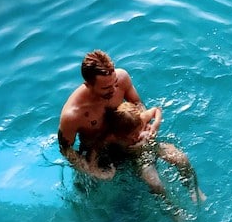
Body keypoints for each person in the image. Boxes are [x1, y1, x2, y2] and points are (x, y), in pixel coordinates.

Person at [57, 49, 153, 178]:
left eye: (114, 83)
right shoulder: (72, 115)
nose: (114, 89)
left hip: (127, 139)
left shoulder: (122, 78)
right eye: (106, 88)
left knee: (176, 159)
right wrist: (92, 171)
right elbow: (66, 149)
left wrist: (144, 130)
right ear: (88, 85)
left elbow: (138, 106)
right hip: (98, 153)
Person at [91, 101, 205, 204]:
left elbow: (157, 110)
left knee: (182, 159)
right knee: (155, 184)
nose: (137, 137)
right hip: (137, 159)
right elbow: (95, 148)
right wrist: (96, 170)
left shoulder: (140, 118)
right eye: (133, 135)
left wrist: (155, 125)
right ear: (120, 135)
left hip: (151, 145)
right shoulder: (112, 137)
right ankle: (174, 211)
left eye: (139, 130)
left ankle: (194, 189)